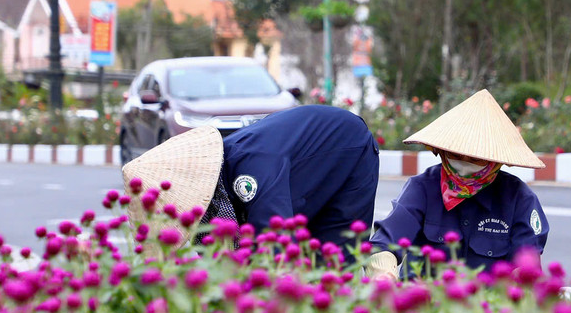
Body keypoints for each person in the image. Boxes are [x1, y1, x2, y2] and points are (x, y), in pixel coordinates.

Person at [121, 104, 379, 259]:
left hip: (349, 149)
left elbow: (272, 240)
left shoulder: (250, 171)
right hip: (302, 175)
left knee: (335, 259)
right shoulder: (222, 178)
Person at [368, 89, 549, 279]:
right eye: (455, 154)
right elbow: (385, 243)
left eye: (475, 158)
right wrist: (384, 275)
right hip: (422, 300)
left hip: (487, 304)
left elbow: (527, 264)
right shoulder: (422, 188)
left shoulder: (518, 198)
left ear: (495, 160)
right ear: (442, 150)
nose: (463, 162)